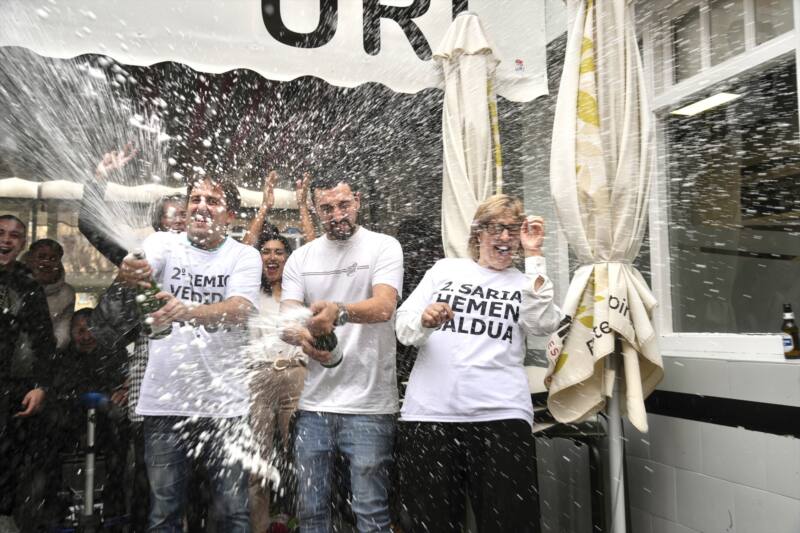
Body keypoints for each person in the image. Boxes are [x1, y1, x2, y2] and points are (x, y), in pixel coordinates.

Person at [393, 194, 561, 533]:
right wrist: (425, 320)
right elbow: (403, 326)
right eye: (498, 228)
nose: (505, 237)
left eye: (513, 230)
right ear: (478, 233)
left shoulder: (526, 284)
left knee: (510, 524)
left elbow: (542, 325)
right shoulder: (446, 270)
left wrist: (535, 255)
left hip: (501, 415)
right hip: (432, 416)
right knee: (430, 524)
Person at [119, 174, 262, 533]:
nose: (200, 206)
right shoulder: (164, 243)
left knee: (233, 512)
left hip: (225, 406)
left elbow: (240, 308)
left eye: (212, 201)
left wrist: (186, 310)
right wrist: (132, 271)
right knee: (164, 513)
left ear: (229, 216)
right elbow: (143, 270)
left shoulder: (244, 255)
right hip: (165, 403)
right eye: (195, 198)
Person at [280, 175, 403, 533]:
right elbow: (287, 322)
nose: (337, 214)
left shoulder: (383, 246)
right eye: (327, 208)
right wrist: (304, 339)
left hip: (370, 404)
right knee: (311, 510)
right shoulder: (301, 257)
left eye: (343, 204)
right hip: (314, 405)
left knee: (370, 513)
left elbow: (384, 307)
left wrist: (339, 311)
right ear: (316, 210)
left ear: (358, 201)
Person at [81, 147, 188, 532]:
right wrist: (99, 178)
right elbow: (91, 227)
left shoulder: (211, 259)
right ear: (158, 224)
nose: (180, 221)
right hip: (150, 364)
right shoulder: (138, 257)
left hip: (200, 373)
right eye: (171, 216)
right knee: (148, 465)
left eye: (186, 215)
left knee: (199, 473)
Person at [247, 230, 307, 532]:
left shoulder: (301, 294)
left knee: (300, 456)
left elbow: (314, 249)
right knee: (258, 459)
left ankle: (297, 520)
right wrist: (266, 207)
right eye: (265, 252)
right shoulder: (250, 293)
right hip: (259, 377)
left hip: (296, 373)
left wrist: (305, 210)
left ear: (289, 257)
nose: (272, 257)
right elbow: (244, 247)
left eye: (279, 252)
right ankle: (259, 525)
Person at [0, 214, 56, 530]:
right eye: (1, 233)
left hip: (13, 389)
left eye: (15, 236)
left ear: (22, 244)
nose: (6, 240)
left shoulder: (28, 286)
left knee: (8, 462)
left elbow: (44, 342)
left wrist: (41, 385)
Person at [52, 308, 129, 521]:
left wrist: (116, 394)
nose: (86, 336)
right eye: (80, 331)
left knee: (117, 450)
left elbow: (122, 383)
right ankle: (62, 507)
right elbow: (61, 387)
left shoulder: (114, 354)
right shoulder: (63, 358)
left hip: (108, 426)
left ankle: (115, 505)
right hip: (72, 424)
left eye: (91, 330)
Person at [25, 238, 76, 351]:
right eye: (41, 257)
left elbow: (62, 335)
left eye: (53, 259)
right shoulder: (13, 284)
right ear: (30, 260)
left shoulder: (67, 294)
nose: (46, 263)